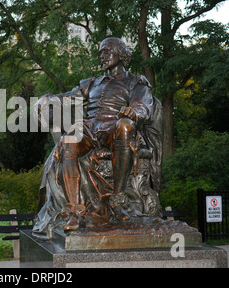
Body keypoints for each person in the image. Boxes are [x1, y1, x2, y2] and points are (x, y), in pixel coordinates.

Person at [33, 37, 160, 235]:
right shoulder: (91, 83)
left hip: (115, 127)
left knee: (125, 127)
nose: (102, 55)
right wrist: (49, 98)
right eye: (101, 52)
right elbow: (67, 97)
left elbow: (143, 106)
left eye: (107, 51)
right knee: (68, 141)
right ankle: (75, 212)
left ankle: (117, 200)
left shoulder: (135, 81)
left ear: (121, 53)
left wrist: (134, 112)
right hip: (91, 128)